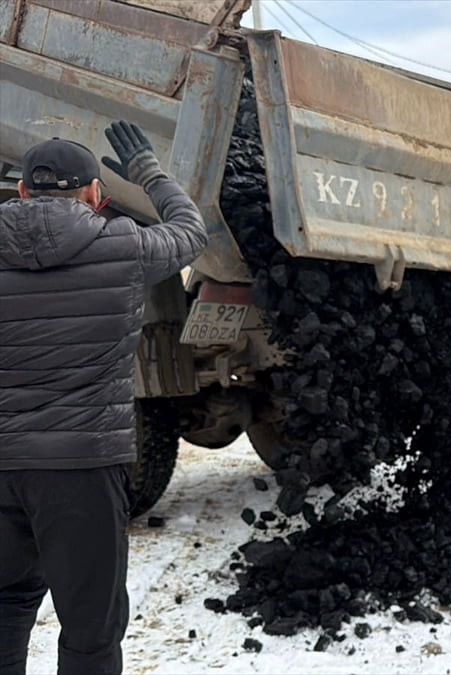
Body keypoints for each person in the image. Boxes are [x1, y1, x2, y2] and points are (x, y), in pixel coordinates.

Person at [0, 121, 208, 674]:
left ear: (21, 189)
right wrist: (149, 173)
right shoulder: (125, 246)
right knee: (91, 629)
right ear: (96, 194)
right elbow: (191, 231)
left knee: (4, 606)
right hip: (83, 471)